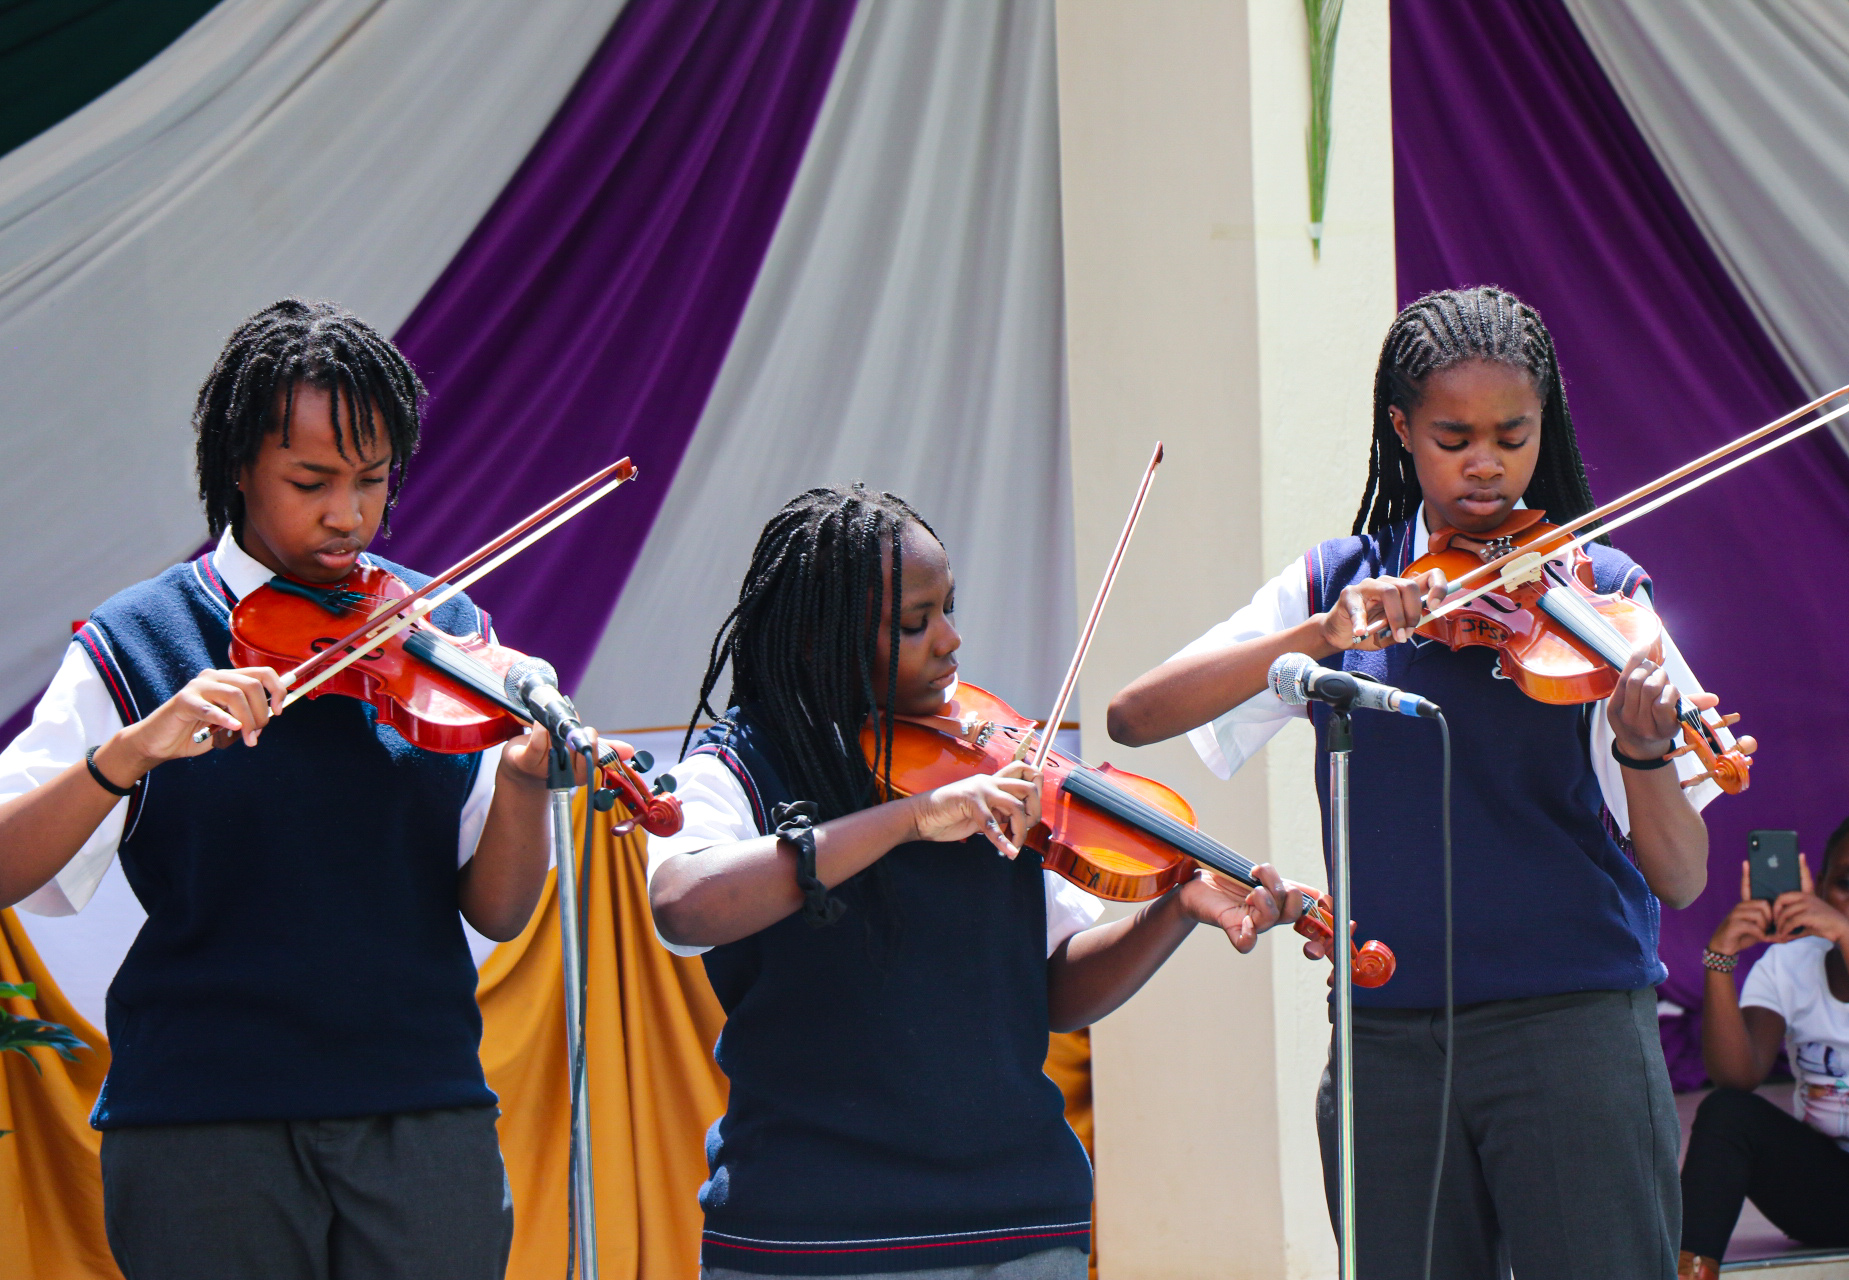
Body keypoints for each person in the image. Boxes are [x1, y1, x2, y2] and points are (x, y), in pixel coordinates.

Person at [1106, 286, 1730, 1278]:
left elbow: (1683, 876)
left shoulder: (1599, 595)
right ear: (1401, 430)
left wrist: (1646, 750)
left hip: (1571, 1029)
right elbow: (1135, 715)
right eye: (1453, 437)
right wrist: (1324, 635)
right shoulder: (1337, 584)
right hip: (1386, 1039)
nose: (1486, 463)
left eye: (1512, 436)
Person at [0, 299, 562, 1280]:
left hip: (422, 1114)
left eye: (373, 480)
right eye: (311, 481)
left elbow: (501, 911)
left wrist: (522, 776)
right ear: (237, 468)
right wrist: (131, 751)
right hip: (201, 1124)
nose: (349, 515)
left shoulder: (440, 630)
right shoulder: (139, 640)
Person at [647, 484, 1306, 1280]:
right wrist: (911, 818)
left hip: (1020, 1228)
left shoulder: (995, 771)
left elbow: (1053, 994)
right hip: (814, 1237)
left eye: (949, 610)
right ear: (823, 640)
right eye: (914, 623)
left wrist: (1171, 912)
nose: (951, 640)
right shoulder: (740, 769)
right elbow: (685, 905)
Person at [1680, 810, 1849, 1279]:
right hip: (1824, 1199)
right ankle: (1689, 1268)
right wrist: (1719, 958)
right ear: (1820, 887)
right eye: (1848, 884)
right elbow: (1737, 1077)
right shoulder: (1788, 965)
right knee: (1726, 1111)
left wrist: (1848, 938)